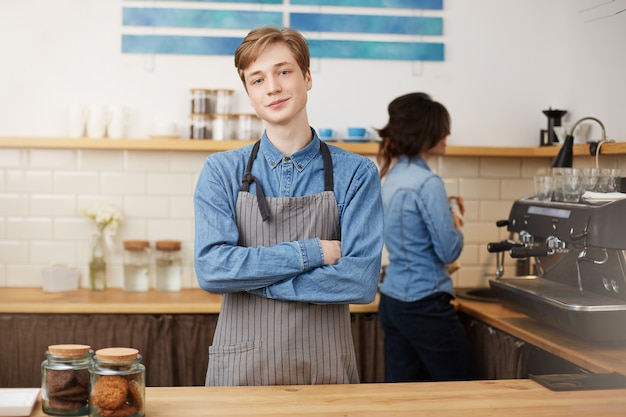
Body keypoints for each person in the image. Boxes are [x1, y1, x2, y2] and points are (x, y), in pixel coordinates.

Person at [193, 26, 384, 386]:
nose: (273, 87)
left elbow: (360, 282)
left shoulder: (356, 174)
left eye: (284, 72)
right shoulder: (221, 171)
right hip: (239, 376)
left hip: (325, 374)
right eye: (258, 79)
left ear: (307, 77)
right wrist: (312, 252)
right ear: (249, 94)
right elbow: (213, 270)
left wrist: (254, 282)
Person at [376, 92, 472, 382]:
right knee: (463, 391)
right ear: (424, 132)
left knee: (405, 397)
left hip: (392, 302)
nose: (448, 134)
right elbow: (448, 251)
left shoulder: (390, 178)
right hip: (424, 303)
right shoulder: (427, 182)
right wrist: (456, 222)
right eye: (441, 128)